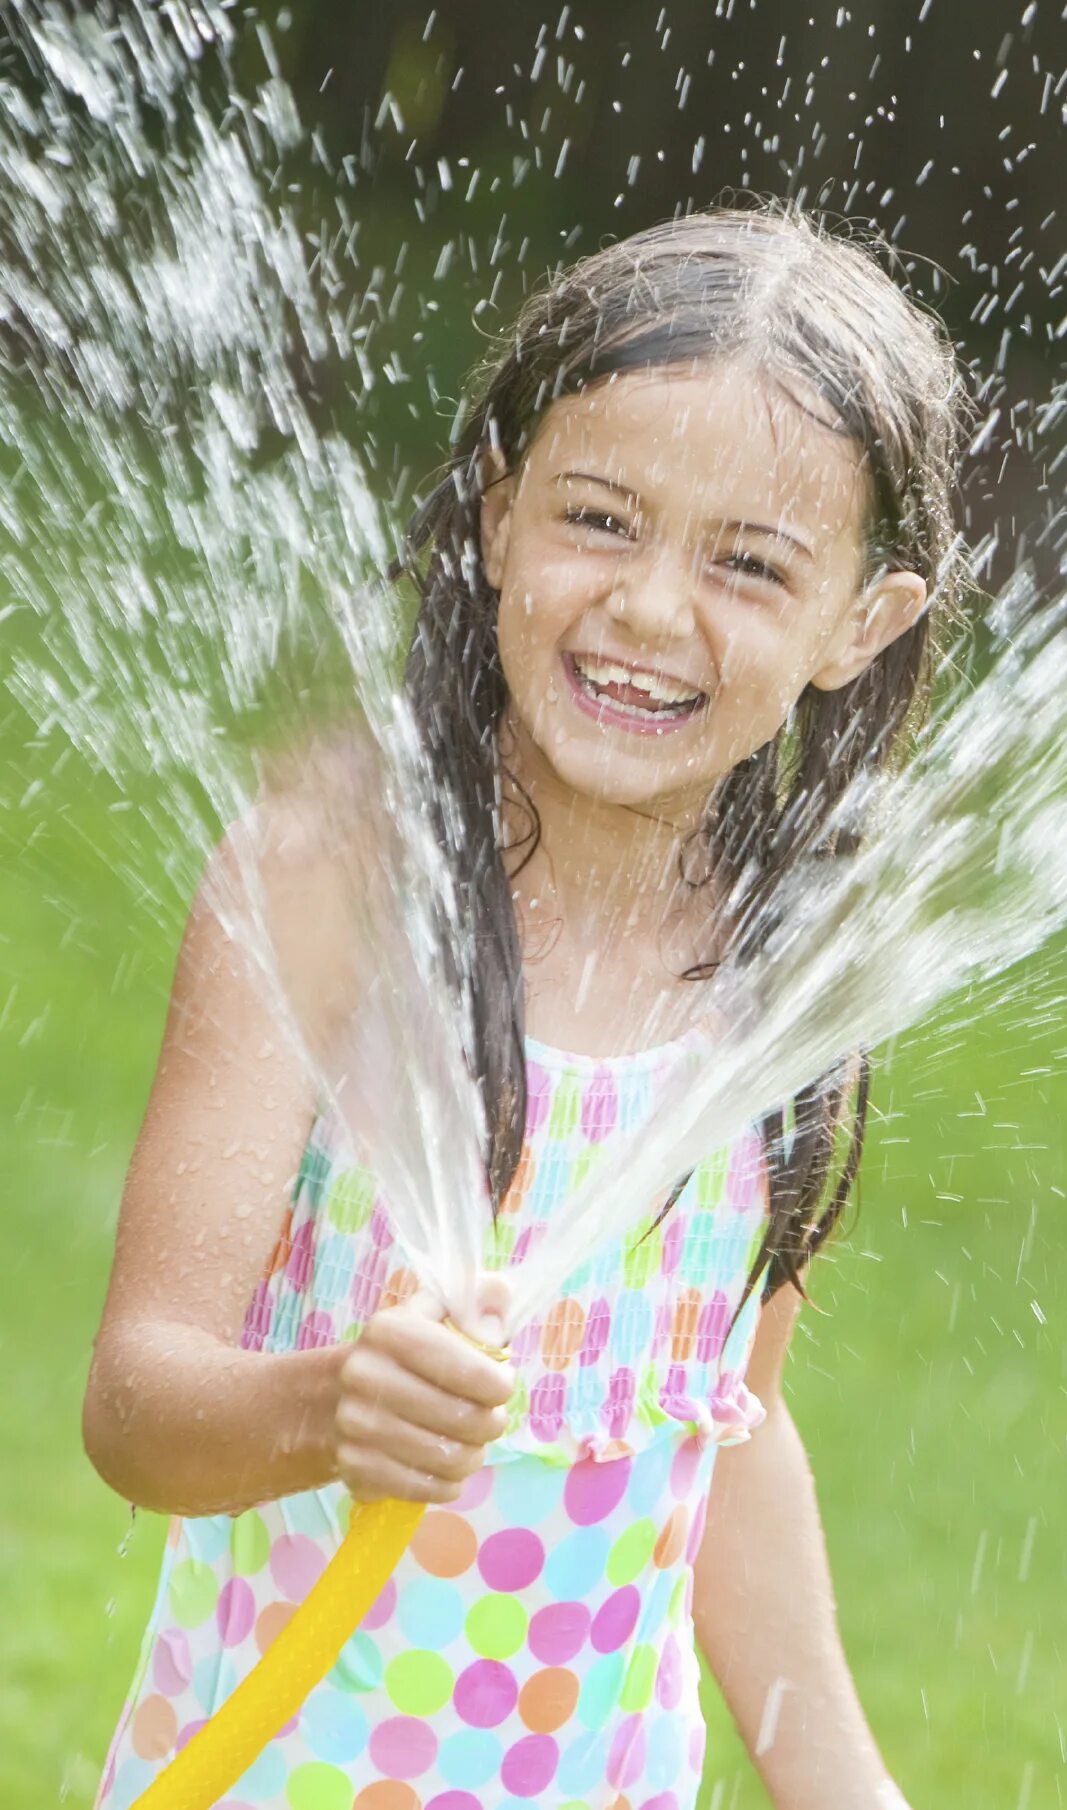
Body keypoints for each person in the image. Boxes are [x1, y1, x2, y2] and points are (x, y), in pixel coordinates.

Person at [81, 206, 965, 1810]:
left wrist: (847, 1783)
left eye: (749, 564)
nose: (647, 608)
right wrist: (327, 1408)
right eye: (601, 518)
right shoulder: (339, 874)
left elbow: (731, 1425)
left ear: (863, 622)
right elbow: (140, 1406)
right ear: (497, 515)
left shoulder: (784, 960)